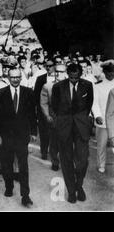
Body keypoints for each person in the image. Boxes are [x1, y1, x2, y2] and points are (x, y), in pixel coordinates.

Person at [0, 68, 37, 208]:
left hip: (22, 136)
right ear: (8, 77)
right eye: (13, 77)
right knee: (7, 164)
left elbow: (32, 114)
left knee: (23, 166)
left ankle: (25, 195)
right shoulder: (0, 93)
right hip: (6, 136)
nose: (15, 79)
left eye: (18, 77)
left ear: (21, 78)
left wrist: (33, 133)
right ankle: (9, 187)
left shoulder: (28, 93)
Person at [51, 63, 93, 204]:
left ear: (80, 75)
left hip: (81, 127)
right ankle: (71, 191)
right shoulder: (58, 87)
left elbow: (89, 105)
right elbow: (54, 107)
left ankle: (79, 185)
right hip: (64, 127)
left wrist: (82, 120)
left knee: (82, 160)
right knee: (66, 160)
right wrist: (61, 121)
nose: (74, 80)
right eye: (71, 77)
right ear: (67, 74)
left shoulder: (87, 85)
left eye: (76, 77)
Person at [40, 64, 67, 171]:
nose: (58, 74)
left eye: (61, 72)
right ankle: (55, 161)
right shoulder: (47, 86)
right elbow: (44, 103)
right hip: (54, 117)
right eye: (57, 71)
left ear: (65, 73)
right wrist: (47, 115)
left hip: (68, 118)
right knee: (54, 141)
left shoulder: (71, 84)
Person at [93, 60, 114, 173]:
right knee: (101, 145)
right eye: (108, 71)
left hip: (113, 121)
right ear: (104, 72)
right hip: (102, 121)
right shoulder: (98, 86)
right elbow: (94, 103)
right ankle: (101, 165)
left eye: (113, 71)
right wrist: (97, 115)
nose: (111, 74)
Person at [34, 59, 55, 160]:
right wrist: (39, 111)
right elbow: (36, 96)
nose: (48, 68)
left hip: (55, 112)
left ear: (54, 66)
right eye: (46, 66)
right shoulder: (40, 78)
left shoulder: (60, 78)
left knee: (54, 133)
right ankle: (44, 151)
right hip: (43, 110)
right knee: (44, 132)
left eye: (50, 66)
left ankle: (53, 152)